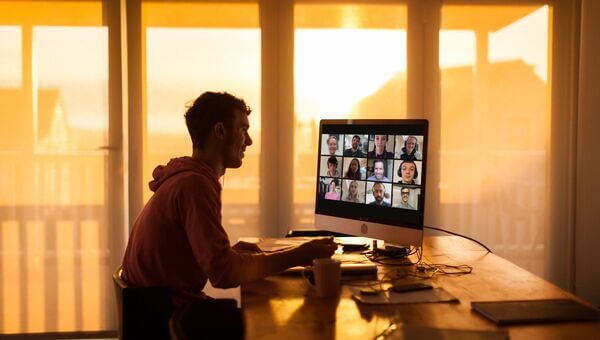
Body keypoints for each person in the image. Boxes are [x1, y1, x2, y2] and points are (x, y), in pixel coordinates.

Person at [121, 91, 336, 307]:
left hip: (154, 311)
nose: (249, 141)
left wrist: (230, 254)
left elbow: (205, 258)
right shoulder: (195, 186)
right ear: (220, 131)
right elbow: (223, 273)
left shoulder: (184, 179)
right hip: (169, 320)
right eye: (243, 130)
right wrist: (299, 255)